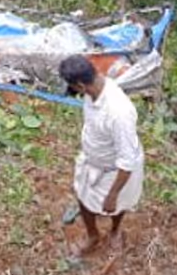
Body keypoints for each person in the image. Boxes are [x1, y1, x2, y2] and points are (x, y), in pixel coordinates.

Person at [60, 55, 144, 258]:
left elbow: (127, 160)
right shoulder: (93, 90)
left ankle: (115, 230)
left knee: (117, 206)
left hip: (115, 169)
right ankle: (93, 235)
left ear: (81, 85)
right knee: (83, 198)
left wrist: (113, 194)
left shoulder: (119, 113)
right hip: (93, 160)